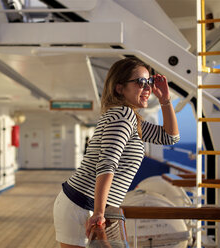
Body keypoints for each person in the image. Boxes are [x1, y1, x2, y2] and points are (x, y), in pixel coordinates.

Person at [53, 57, 180, 248]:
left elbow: (170, 137)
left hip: (84, 204)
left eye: (149, 83)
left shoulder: (130, 119)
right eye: (141, 82)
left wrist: (164, 99)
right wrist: (99, 212)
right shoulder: (122, 116)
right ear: (120, 88)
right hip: (82, 205)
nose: (147, 89)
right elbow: (107, 163)